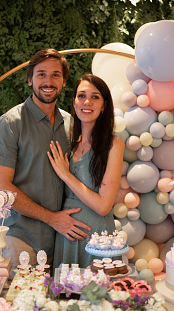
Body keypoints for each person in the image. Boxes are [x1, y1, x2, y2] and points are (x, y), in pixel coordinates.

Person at [0, 49, 91, 272]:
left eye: (55, 75)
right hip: (20, 239)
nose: (48, 81)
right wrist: (52, 219)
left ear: (63, 82)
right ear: (30, 80)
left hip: (63, 240)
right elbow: (0, 189)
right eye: (41, 74)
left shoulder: (72, 124)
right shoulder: (10, 124)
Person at [49, 74, 125, 269]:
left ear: (104, 105)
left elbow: (103, 206)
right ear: (74, 102)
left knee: (96, 295)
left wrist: (66, 175)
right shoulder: (69, 144)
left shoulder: (113, 144)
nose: (87, 102)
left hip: (96, 238)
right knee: (63, 295)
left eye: (95, 97)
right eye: (81, 95)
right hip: (66, 236)